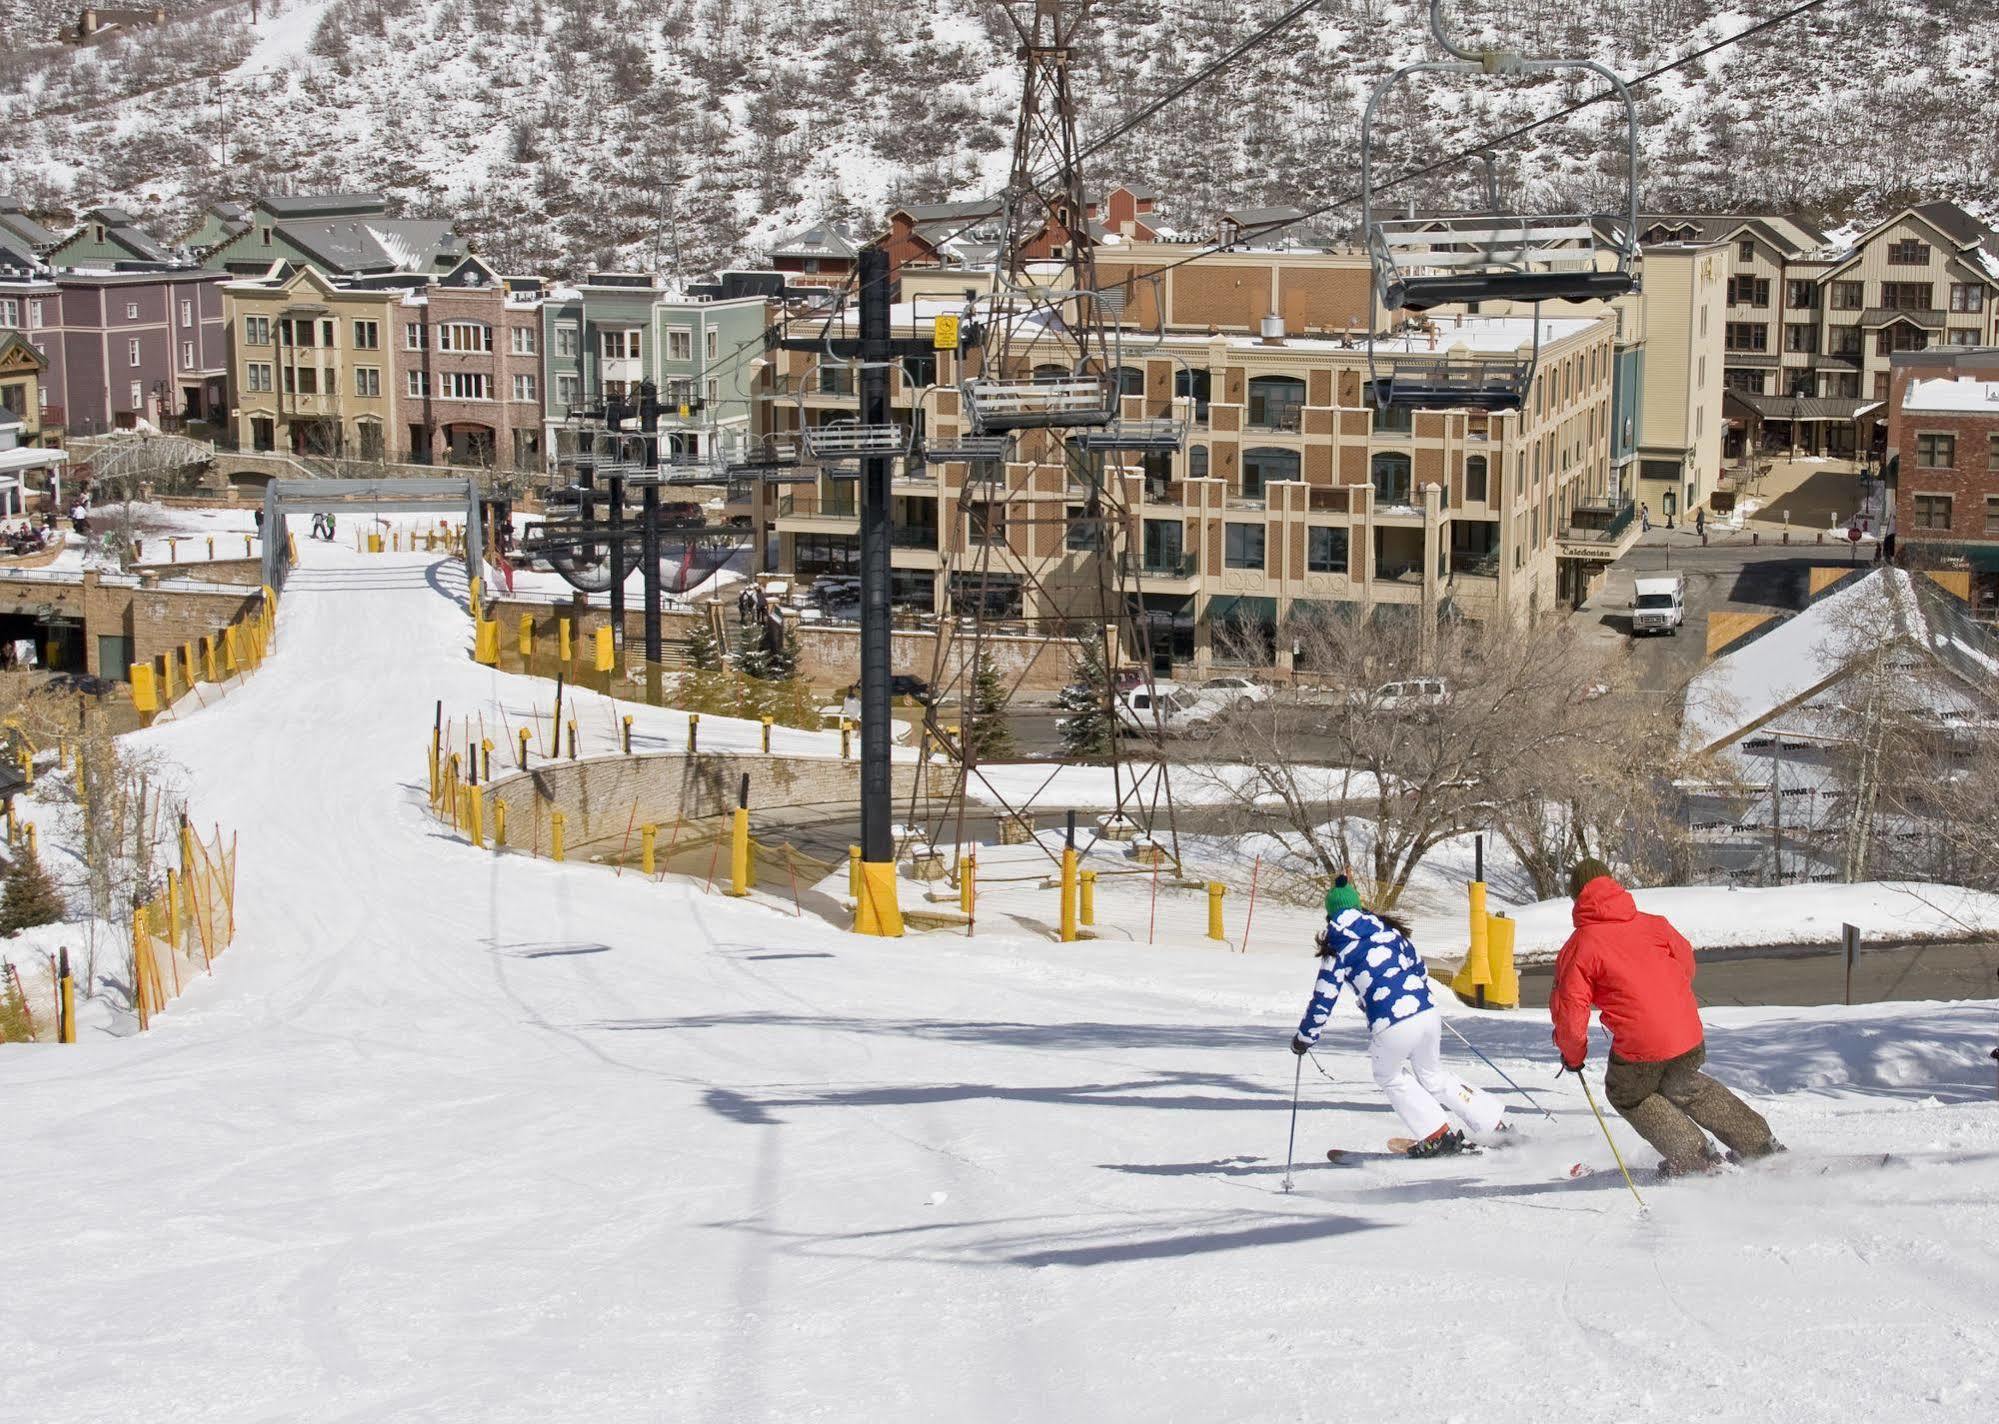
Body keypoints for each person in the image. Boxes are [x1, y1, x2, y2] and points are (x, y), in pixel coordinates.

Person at [1550, 859, 1781, 1176]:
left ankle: (1695, 1157)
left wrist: (1573, 1056)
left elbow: (1571, 1012)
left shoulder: (1580, 946)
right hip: (1687, 1032)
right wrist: (1670, 1003)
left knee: (1628, 1094)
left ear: (1576, 896)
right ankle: (1760, 1144)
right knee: (1686, 1086)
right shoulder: (1654, 923)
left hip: (1642, 1044)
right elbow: (1685, 960)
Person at [1291, 875, 1507, 1158]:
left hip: (1392, 1023)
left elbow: (1324, 998)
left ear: (1330, 914)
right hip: (1426, 1012)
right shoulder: (1389, 932)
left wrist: (1305, 1038)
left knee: (1389, 1075)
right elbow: (1418, 969)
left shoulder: (1338, 945)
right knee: (1433, 1075)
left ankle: (1437, 1135)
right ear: (1360, 907)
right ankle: (1493, 1124)